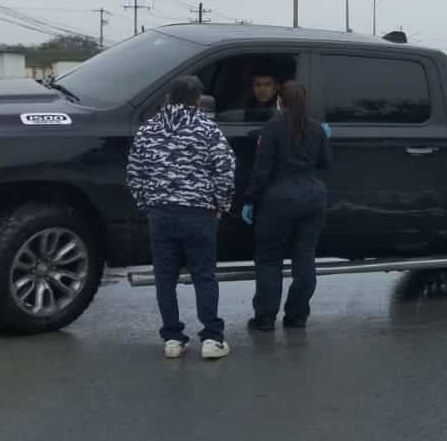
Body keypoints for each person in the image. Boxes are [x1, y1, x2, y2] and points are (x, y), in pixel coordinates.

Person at [126, 75, 237, 360]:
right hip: (199, 213)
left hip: (160, 213)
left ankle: (173, 338)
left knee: (165, 278)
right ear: (198, 100)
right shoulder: (207, 128)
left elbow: (134, 171)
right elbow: (225, 168)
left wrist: (146, 203)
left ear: (168, 97)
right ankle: (212, 338)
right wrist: (221, 204)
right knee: (204, 275)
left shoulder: (148, 129)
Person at [243, 80, 332, 331]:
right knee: (305, 258)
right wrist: (324, 138)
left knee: (269, 260)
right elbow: (325, 163)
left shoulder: (272, 127)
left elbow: (261, 170)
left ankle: (265, 318)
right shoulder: (316, 128)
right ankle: (297, 316)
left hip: (279, 199)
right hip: (313, 197)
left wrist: (250, 200)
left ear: (279, 101)